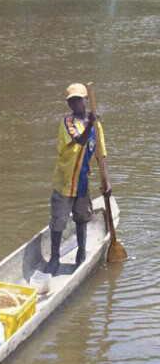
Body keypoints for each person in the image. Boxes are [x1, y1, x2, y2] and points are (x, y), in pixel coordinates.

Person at [46, 83, 111, 275]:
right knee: (58, 221)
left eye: (78, 100)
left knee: (82, 219)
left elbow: (101, 155)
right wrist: (90, 123)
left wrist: (106, 182)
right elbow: (80, 141)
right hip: (64, 183)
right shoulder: (67, 122)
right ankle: (55, 258)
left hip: (82, 184)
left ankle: (81, 254)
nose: (75, 104)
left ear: (85, 101)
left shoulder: (96, 126)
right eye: (71, 101)